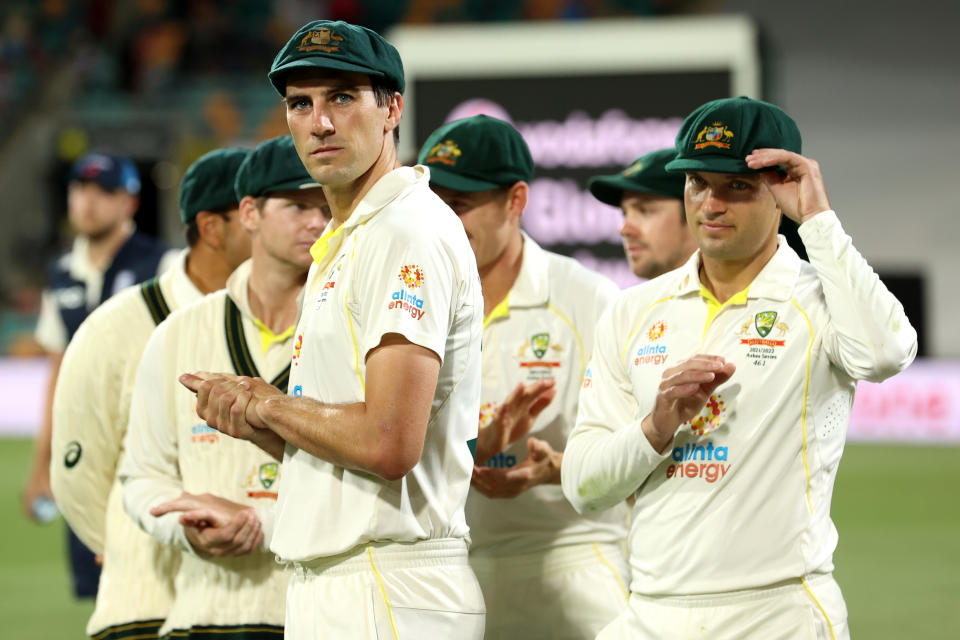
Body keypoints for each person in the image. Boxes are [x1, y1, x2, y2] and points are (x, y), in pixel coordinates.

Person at [562, 96, 918, 639]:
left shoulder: (817, 300)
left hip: (778, 614)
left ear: (780, 191)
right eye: (697, 184)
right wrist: (655, 427)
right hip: (652, 612)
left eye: (737, 186)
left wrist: (818, 221)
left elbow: (888, 352)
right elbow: (584, 485)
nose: (711, 203)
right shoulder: (634, 311)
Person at [180, 20, 486, 639]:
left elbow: (388, 442)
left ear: (392, 108)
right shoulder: (352, 238)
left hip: (387, 584)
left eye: (341, 97)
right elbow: (348, 448)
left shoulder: (406, 233)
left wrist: (270, 403)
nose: (319, 122)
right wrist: (259, 419)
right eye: (301, 103)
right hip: (349, 583)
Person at [416, 114, 629, 639]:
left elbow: (638, 447)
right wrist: (472, 447)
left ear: (515, 201)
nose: (441, 221)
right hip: (442, 566)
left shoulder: (586, 298)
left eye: (459, 205)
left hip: (572, 554)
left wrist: (559, 468)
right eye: (432, 202)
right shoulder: (409, 299)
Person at [119, 135, 329, 638]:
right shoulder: (178, 333)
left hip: (314, 613)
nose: (317, 222)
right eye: (297, 205)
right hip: (202, 615)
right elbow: (140, 477)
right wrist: (188, 529)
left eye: (325, 206)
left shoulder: (353, 327)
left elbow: (371, 479)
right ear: (250, 213)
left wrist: (260, 523)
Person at [48, 147, 252, 639]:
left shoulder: (299, 311)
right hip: (150, 589)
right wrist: (125, 540)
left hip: (252, 590)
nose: (306, 225)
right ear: (212, 227)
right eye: (258, 212)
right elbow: (78, 452)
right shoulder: (117, 320)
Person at [24, 150, 176, 598]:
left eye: (104, 191)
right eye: (80, 189)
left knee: (161, 590)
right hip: (87, 457)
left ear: (129, 202)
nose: (89, 202)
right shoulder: (60, 274)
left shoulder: (165, 265)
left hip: (150, 453)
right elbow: (58, 375)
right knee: (101, 595)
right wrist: (42, 466)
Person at [588, 148, 697, 280]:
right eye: (624, 213)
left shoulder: (727, 299)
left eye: (644, 210)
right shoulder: (632, 300)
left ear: (694, 213)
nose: (625, 230)